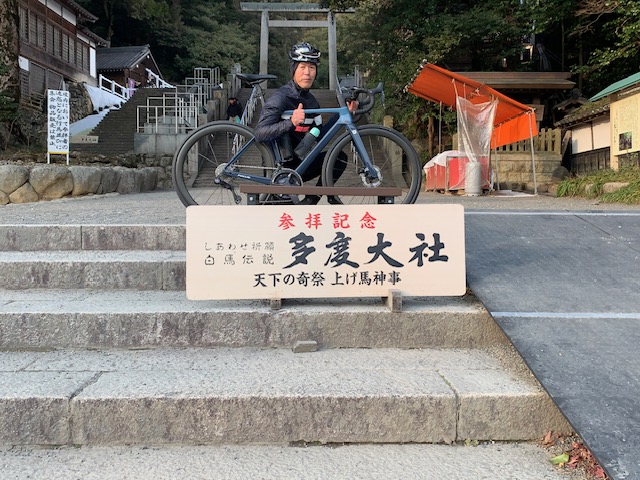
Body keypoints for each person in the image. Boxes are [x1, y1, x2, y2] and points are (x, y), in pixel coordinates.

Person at [254, 42, 358, 205]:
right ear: (293, 70)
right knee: (282, 215)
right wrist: (291, 122)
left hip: (300, 163)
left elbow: (319, 136)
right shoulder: (280, 97)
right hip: (278, 169)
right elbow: (260, 133)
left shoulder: (312, 102)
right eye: (302, 67)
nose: (307, 73)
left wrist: (342, 116)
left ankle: (311, 200)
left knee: (339, 157)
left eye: (312, 67)